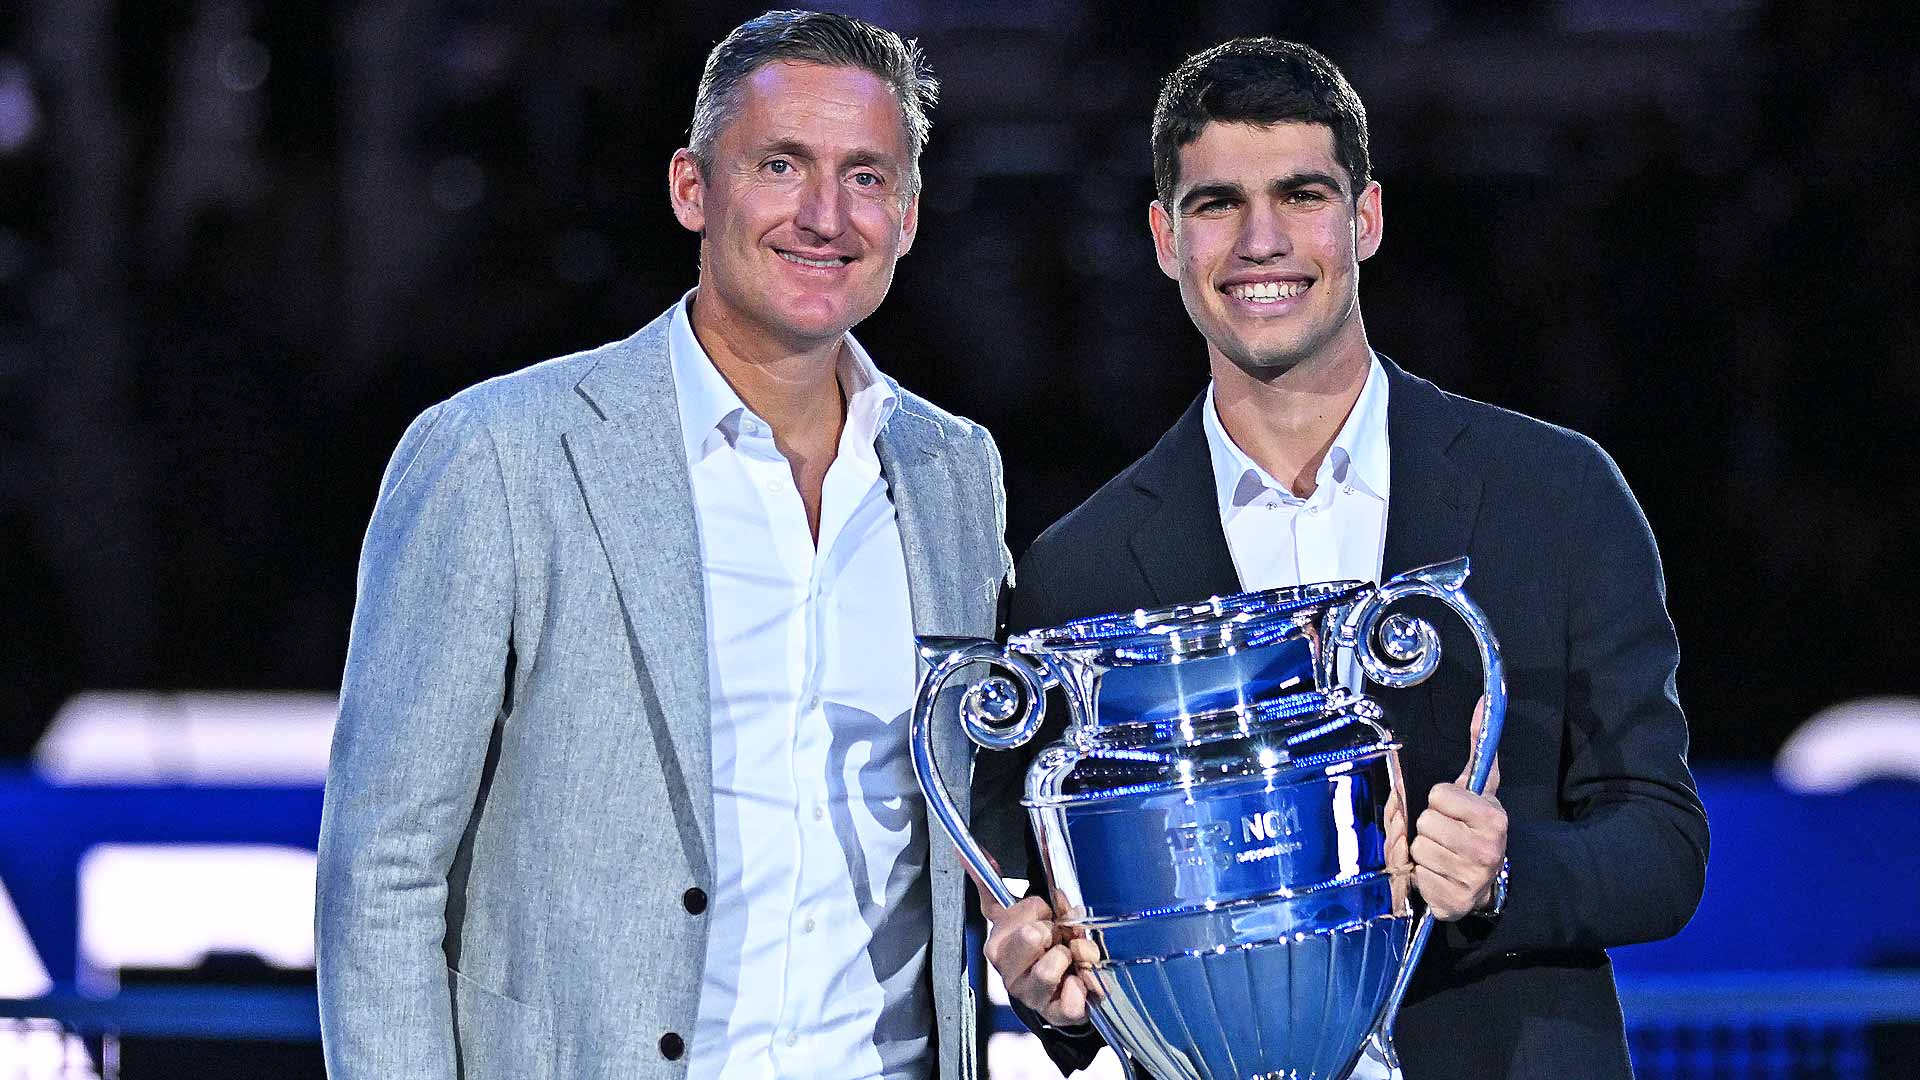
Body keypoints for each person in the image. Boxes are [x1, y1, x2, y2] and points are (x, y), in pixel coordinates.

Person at [976, 38, 1709, 1079]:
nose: (1261, 241)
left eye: (1303, 195)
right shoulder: (1083, 569)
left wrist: (1504, 874)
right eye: (1218, 203)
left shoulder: (1553, 491)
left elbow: (1664, 846)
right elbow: (1067, 926)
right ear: (1163, 237)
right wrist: (1049, 986)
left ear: (1364, 218)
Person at [316, 12, 1017, 1080]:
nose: (826, 215)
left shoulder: (954, 474)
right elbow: (383, 874)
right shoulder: (501, 454)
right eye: (781, 164)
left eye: (867, 177)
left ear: (910, 215)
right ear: (694, 188)